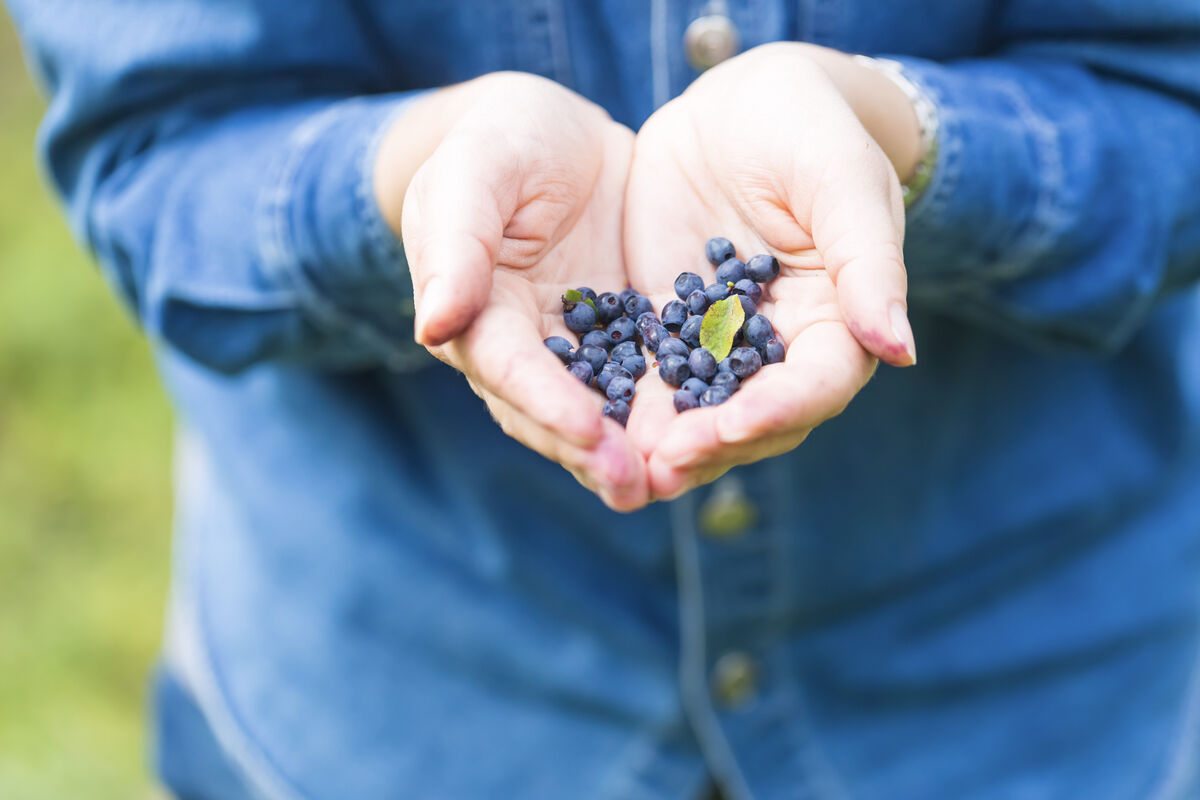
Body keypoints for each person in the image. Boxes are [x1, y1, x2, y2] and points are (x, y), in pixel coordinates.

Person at [7, 0, 1200, 797]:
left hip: (1024, 695)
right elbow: (159, 149)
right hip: (413, 703)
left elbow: (1171, 96)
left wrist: (903, 135)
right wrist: (419, 173)